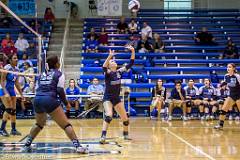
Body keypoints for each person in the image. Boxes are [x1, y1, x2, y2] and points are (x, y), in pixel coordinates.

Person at [23, 55, 87, 153]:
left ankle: (27, 143)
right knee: (66, 125)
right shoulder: (59, 74)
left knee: (39, 124)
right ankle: (78, 146)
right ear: (57, 63)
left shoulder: (42, 74)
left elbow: (37, 88)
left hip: (37, 99)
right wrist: (66, 103)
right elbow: (60, 90)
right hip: (49, 99)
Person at [99, 45, 135, 144]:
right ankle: (103, 136)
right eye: (112, 61)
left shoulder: (119, 71)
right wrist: (109, 56)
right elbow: (103, 67)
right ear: (110, 65)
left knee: (125, 119)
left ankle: (126, 135)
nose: (114, 62)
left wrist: (133, 51)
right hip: (107, 98)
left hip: (116, 98)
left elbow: (131, 63)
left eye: (114, 61)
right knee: (109, 115)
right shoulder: (108, 73)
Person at [0, 54, 24, 136]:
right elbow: (2, 81)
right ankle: (2, 129)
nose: (17, 59)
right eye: (14, 58)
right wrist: (6, 92)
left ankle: (13, 130)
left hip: (11, 90)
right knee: (8, 109)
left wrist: (21, 94)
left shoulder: (17, 69)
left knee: (13, 110)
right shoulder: (7, 68)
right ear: (10, 60)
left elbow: (16, 83)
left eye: (17, 58)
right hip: (4, 89)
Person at [214, 63, 240, 130]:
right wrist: (220, 86)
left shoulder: (237, 76)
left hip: (239, 95)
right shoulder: (226, 76)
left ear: (233, 68)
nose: (228, 68)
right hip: (231, 95)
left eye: (230, 67)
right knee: (223, 110)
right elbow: (225, 82)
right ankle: (220, 125)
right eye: (227, 67)